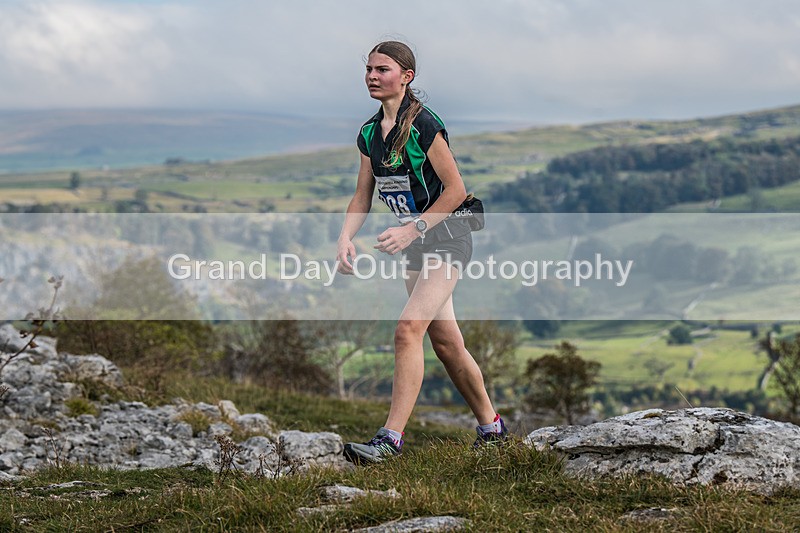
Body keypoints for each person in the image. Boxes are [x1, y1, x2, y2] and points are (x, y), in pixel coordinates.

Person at [336, 41, 507, 465]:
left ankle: (389, 440)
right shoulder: (369, 134)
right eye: (369, 70)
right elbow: (363, 194)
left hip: (447, 236)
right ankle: (493, 429)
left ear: (406, 76)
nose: (372, 76)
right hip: (417, 245)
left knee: (407, 329)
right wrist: (344, 238)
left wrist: (413, 228)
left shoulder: (423, 126)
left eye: (383, 69)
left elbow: (456, 190)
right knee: (447, 344)